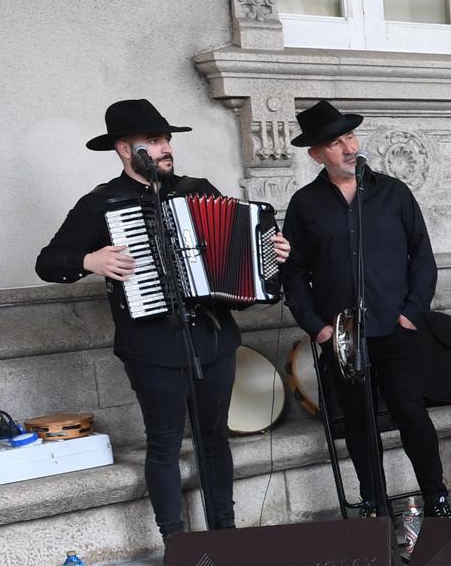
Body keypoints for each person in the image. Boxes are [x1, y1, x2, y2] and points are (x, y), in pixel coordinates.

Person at [36, 99, 289, 539]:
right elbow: (48, 262)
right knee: (165, 444)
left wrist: (269, 254)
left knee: (214, 439)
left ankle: (225, 535)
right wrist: (89, 259)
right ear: (123, 149)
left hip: (212, 340)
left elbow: (239, 248)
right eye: (153, 141)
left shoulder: (197, 188)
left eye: (166, 139)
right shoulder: (102, 204)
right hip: (151, 348)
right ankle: (176, 542)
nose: (165, 148)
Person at [282, 99, 451, 518]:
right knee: (358, 423)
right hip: (340, 334)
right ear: (315, 154)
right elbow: (292, 272)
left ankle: (437, 498)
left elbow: (423, 257)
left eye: (350, 137)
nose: (348, 147)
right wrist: (318, 328)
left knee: (411, 414)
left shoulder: (393, 192)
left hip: (396, 327)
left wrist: (412, 311)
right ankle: (374, 502)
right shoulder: (304, 205)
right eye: (335, 143)